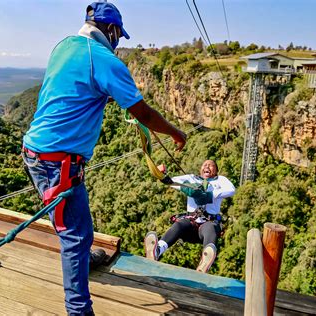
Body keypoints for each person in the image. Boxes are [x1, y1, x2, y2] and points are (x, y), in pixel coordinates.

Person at [21, 3, 186, 315]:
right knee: (75, 234)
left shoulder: (64, 45)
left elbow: (73, 88)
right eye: (118, 36)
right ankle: (79, 310)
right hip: (60, 163)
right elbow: (144, 113)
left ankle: (83, 258)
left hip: (34, 151)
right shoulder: (105, 60)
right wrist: (176, 133)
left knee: (71, 226)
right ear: (110, 30)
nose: (118, 43)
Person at [144, 160, 235, 273]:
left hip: (208, 222)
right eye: (205, 165)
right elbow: (172, 181)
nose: (207, 166)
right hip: (191, 223)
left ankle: (205, 261)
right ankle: (158, 250)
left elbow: (231, 190)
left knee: (210, 228)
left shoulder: (220, 180)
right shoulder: (192, 179)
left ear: (216, 171)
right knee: (180, 224)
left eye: (211, 165)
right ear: (200, 169)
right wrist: (161, 174)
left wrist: (210, 195)